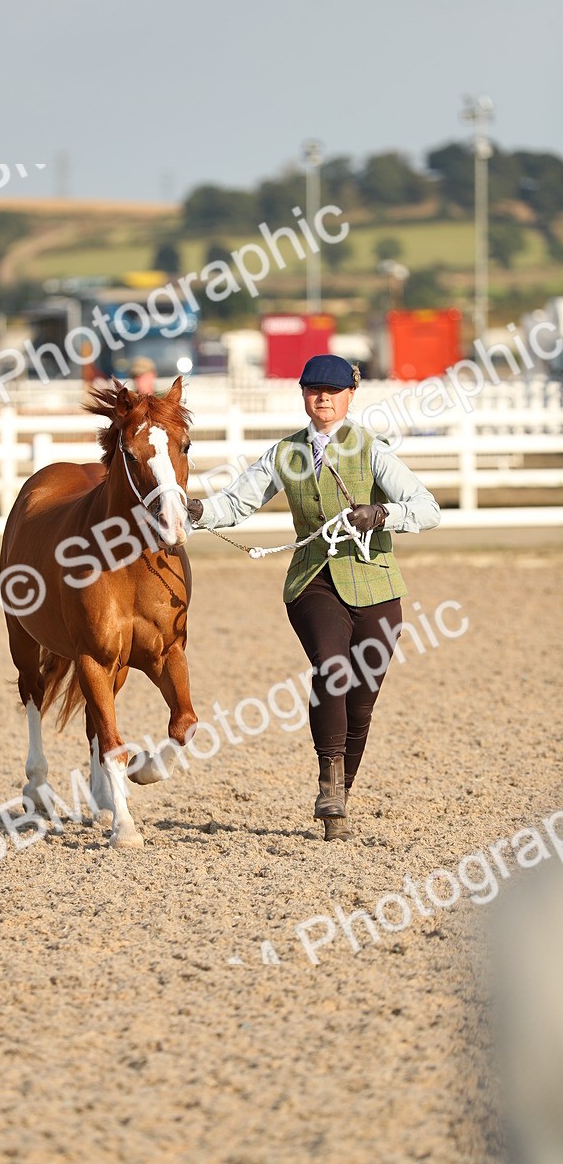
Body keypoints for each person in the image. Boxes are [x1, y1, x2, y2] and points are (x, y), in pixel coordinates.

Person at [186, 354, 440, 843]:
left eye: (332, 390)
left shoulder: (372, 450)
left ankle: (341, 791)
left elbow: (427, 508)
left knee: (361, 703)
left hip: (376, 584)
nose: (322, 397)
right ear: (303, 394)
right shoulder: (285, 453)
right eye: (313, 389)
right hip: (313, 581)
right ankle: (328, 784)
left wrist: (381, 514)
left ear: (350, 395)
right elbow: (237, 502)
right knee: (331, 668)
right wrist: (198, 510)